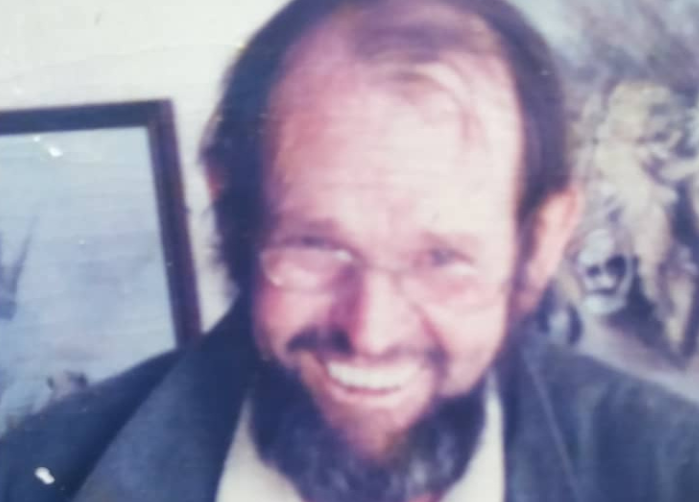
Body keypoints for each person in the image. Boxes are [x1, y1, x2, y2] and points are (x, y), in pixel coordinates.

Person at [1, 0, 698, 501]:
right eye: (316, 245)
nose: (371, 332)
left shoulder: (674, 471)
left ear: (540, 242)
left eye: (442, 259)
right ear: (232, 208)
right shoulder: (30, 474)